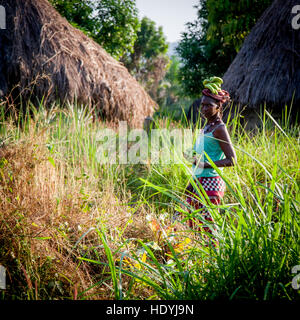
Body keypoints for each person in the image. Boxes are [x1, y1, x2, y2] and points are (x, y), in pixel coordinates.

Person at [183, 78, 237, 244]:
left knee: (208, 229)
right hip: (199, 180)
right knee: (193, 225)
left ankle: (216, 261)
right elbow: (202, 155)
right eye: (203, 105)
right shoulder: (205, 127)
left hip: (212, 183)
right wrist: (191, 157)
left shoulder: (220, 128)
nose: (204, 109)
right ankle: (200, 263)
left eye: (208, 105)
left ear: (218, 107)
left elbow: (232, 160)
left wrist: (204, 165)